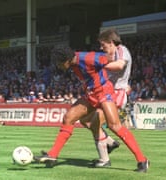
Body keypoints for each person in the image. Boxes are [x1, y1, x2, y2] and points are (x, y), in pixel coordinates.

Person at [34, 45, 149, 173]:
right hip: (91, 95)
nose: (58, 66)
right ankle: (53, 155)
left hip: (105, 93)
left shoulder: (87, 58)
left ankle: (142, 160)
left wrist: (122, 81)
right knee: (69, 118)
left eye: (59, 63)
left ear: (66, 60)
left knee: (114, 126)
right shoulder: (73, 62)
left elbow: (107, 59)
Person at [79, 29, 134, 167]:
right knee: (85, 120)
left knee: (96, 120)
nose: (101, 48)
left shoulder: (121, 50)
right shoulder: (105, 55)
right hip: (105, 93)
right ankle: (109, 142)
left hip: (117, 93)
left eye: (103, 45)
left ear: (111, 43)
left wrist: (97, 65)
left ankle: (105, 159)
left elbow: (120, 65)